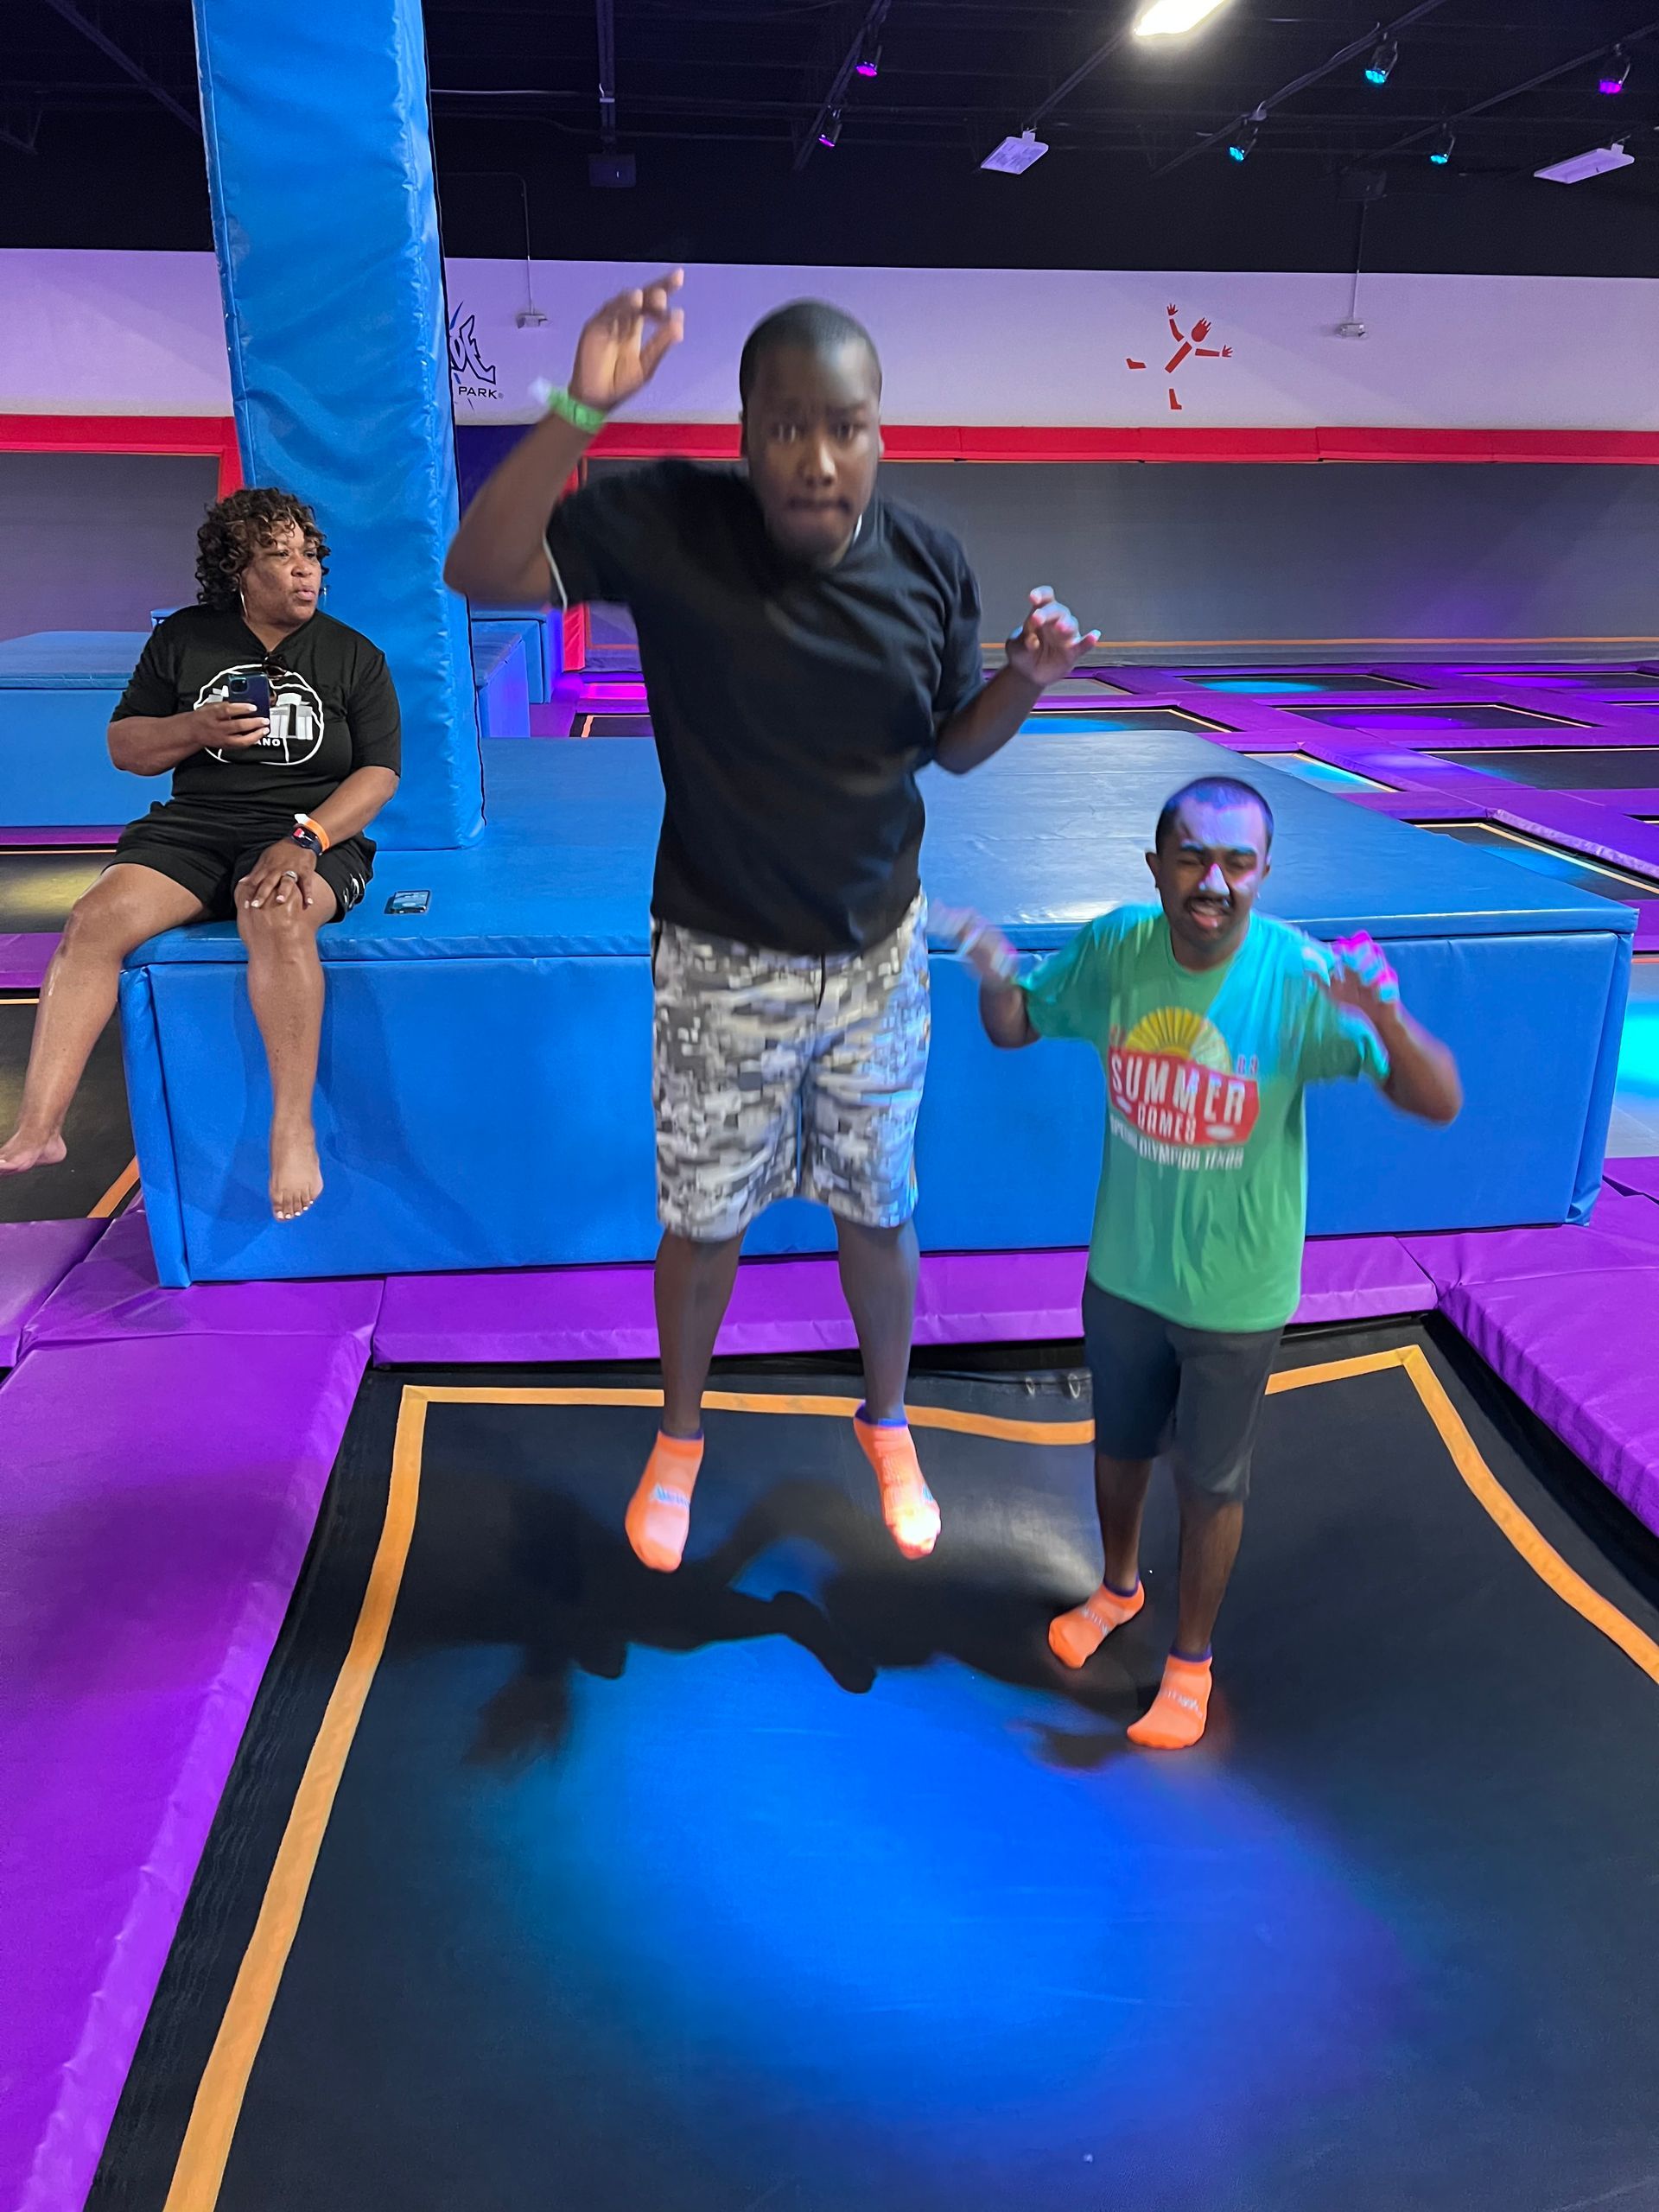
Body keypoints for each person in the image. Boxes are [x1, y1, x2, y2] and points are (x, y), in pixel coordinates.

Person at [445, 271, 1099, 1573]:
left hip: (875, 960)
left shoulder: (927, 562)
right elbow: (481, 568)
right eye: (787, 425)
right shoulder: (673, 518)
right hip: (717, 955)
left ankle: (890, 1419)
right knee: (704, 1221)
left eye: (844, 426)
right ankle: (679, 1436)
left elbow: (950, 750)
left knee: (880, 1214)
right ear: (745, 434)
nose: (816, 458)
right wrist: (584, 403)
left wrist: (1025, 680)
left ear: (878, 433)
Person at [956, 775, 1462, 1749]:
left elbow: (1438, 1100)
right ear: (1157, 866)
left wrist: (1387, 1019)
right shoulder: (1114, 948)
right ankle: (1117, 1588)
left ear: (1265, 870)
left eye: (1237, 861)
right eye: (1193, 856)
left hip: (1236, 1292)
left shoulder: (1302, 978)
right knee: (1118, 1446)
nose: (1214, 881)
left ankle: (1190, 1660)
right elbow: (1016, 1027)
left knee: (1212, 1480)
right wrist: (994, 973)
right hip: (1125, 1273)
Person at [0, 487, 401, 1221]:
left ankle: (292, 1126)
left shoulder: (354, 655)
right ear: (237, 571)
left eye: (310, 555)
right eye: (279, 556)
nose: (303, 571)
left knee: (274, 914)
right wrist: (194, 726)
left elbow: (378, 775)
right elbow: (126, 747)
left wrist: (306, 838)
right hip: (194, 827)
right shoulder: (187, 639)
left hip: (307, 831)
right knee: (92, 922)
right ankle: (41, 1126)